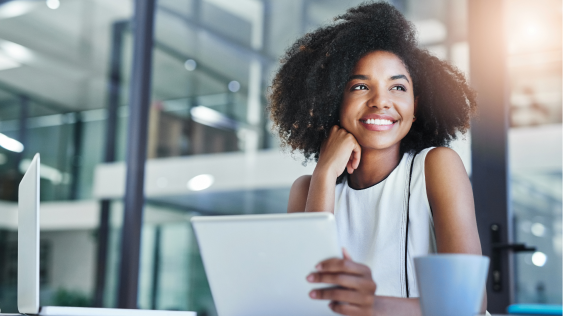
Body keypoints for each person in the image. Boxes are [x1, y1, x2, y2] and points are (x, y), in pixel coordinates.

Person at [268, 2, 484, 316]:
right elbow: (306, 302)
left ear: (415, 106)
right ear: (333, 101)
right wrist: (326, 172)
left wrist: (372, 305)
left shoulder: (436, 166)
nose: (381, 101)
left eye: (398, 87)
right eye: (360, 86)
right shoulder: (307, 189)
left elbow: (470, 304)